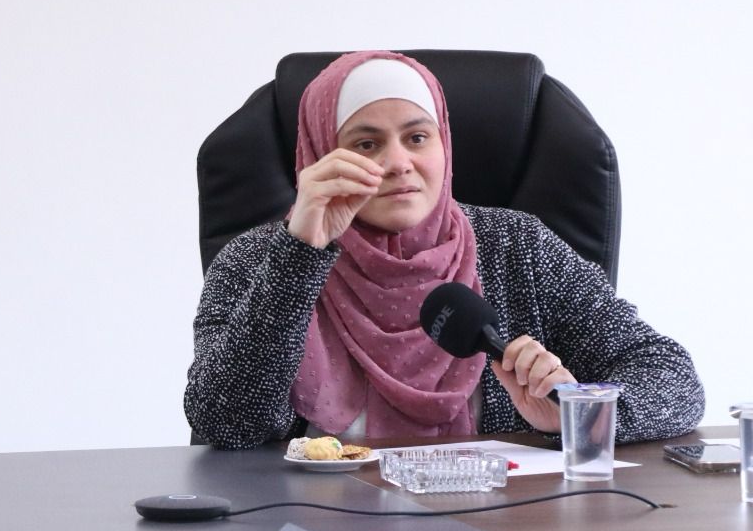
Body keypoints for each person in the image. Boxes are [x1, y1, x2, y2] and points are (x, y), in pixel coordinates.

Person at [185, 50, 703, 449]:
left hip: (503, 528)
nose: (398, 163)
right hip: (318, 530)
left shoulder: (517, 246)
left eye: (417, 138)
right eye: (366, 144)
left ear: (445, 144)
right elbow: (227, 425)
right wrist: (298, 254)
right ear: (320, 153)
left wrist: (574, 414)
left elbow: (673, 380)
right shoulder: (256, 262)